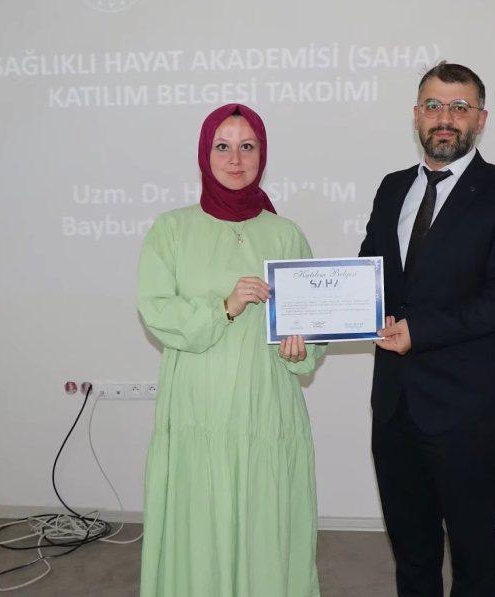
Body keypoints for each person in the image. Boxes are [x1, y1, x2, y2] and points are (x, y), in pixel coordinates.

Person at [358, 62, 495, 597]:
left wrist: (420, 330)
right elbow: (371, 273)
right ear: (416, 115)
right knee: (412, 552)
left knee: (472, 554)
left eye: (459, 107)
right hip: (395, 405)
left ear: (480, 119)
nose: (445, 118)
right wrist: (328, 310)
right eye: (434, 106)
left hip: (471, 408)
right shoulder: (392, 188)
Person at [137, 103, 325, 597]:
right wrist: (225, 305)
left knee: (266, 520)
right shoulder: (171, 229)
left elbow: (312, 324)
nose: (235, 159)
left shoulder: (286, 233)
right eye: (223, 146)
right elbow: (155, 310)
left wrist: (301, 348)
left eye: (247, 146)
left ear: (262, 154)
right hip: (199, 405)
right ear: (205, 153)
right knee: (201, 517)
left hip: (267, 406)